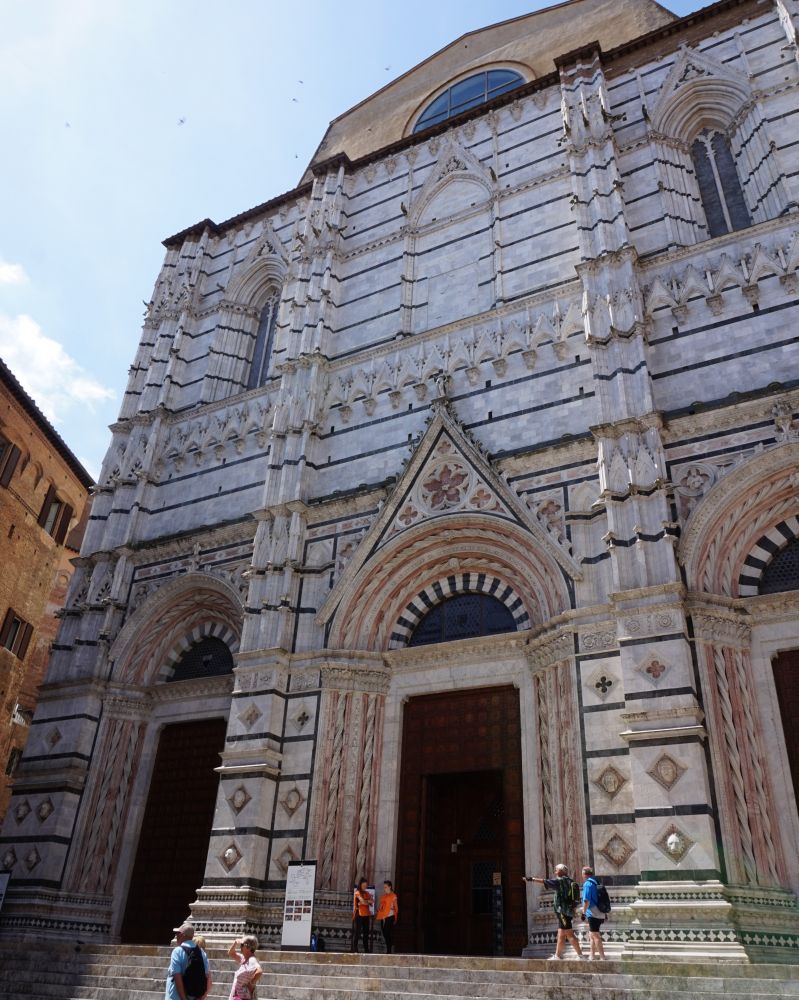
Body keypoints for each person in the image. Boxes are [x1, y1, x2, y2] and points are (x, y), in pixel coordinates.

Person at [523, 863, 585, 960]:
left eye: (556, 870)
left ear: (561, 871)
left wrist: (532, 879)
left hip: (563, 912)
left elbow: (545, 881)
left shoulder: (559, 881)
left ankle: (580, 956)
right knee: (561, 934)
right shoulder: (570, 881)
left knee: (569, 934)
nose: (555, 872)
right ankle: (557, 956)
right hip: (568, 911)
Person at [165, 922, 210, 1000]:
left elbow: (177, 977)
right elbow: (208, 978)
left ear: (182, 935)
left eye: (177, 933)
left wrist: (184, 999)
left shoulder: (177, 951)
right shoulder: (202, 953)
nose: (176, 936)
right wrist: (201, 998)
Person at [580, 866, 606, 960]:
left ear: (584, 874)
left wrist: (583, 912)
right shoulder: (596, 882)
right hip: (600, 912)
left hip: (593, 913)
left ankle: (602, 957)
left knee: (595, 935)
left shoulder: (587, 884)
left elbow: (586, 901)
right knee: (592, 934)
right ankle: (592, 955)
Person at [227, 936, 262, 1000]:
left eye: (242, 945)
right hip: (239, 996)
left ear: (248, 947)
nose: (240, 947)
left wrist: (251, 983)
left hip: (243, 997)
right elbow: (231, 953)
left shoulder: (252, 960)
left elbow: (259, 971)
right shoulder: (244, 958)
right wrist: (235, 943)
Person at [375, 880, 399, 953]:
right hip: (383, 917)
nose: (384, 889)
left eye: (385, 887)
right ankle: (389, 947)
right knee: (384, 932)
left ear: (390, 887)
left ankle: (389, 949)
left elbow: (396, 907)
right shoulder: (383, 896)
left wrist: (395, 916)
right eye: (384, 887)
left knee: (387, 932)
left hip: (390, 916)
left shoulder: (393, 896)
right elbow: (381, 906)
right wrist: (379, 910)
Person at [352, 877, 373, 953]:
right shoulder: (357, 892)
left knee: (366, 933)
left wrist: (364, 902)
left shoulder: (367, 893)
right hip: (359, 915)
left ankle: (366, 949)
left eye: (366, 886)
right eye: (364, 885)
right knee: (357, 932)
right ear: (360, 885)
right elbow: (364, 901)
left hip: (366, 915)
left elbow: (371, 902)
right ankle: (355, 949)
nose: (365, 887)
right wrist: (366, 902)